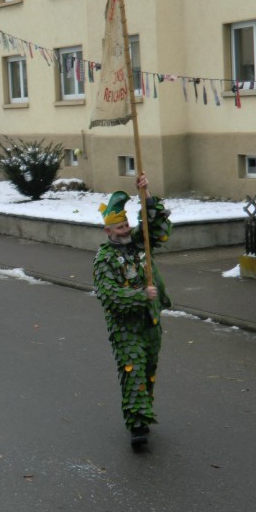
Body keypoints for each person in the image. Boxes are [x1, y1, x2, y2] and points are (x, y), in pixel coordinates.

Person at [92, 173, 172, 450]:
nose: (125, 229)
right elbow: (111, 296)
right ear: (108, 231)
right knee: (133, 369)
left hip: (150, 322)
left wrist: (146, 193)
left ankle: (143, 414)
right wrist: (141, 295)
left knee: (148, 369)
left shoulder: (139, 242)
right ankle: (137, 426)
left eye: (126, 224)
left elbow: (157, 228)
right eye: (119, 227)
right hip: (125, 328)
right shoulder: (104, 260)